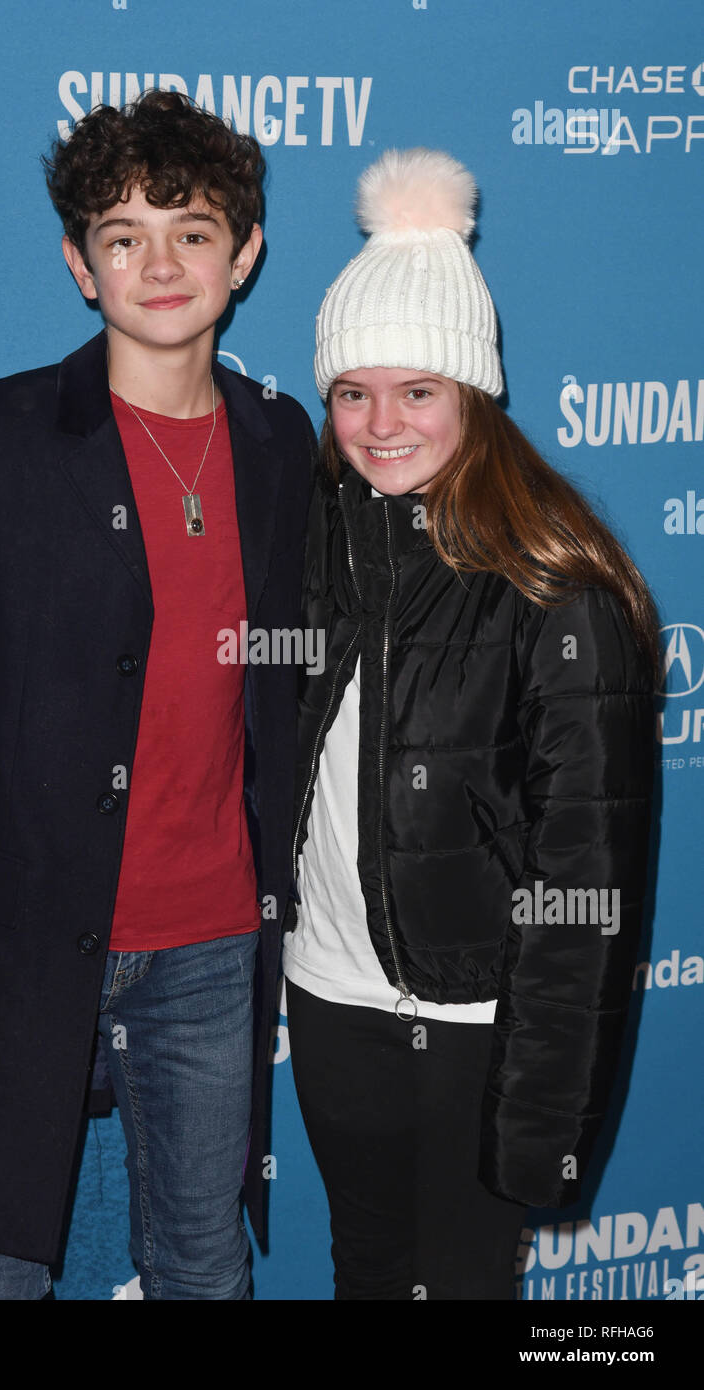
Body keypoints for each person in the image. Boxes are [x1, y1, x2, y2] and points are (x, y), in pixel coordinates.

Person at [0, 89, 314, 1300]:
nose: (160, 263)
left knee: (203, 1262)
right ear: (80, 265)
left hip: (216, 941)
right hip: (13, 934)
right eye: (124, 236)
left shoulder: (282, 442)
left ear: (247, 253)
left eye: (192, 230)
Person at [283, 146, 658, 1300]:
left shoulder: (561, 591)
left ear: (474, 395)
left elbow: (585, 888)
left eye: (417, 390)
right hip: (332, 1002)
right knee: (365, 1269)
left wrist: (545, 1107)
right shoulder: (313, 547)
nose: (380, 421)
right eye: (353, 390)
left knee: (463, 1286)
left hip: (478, 1027)